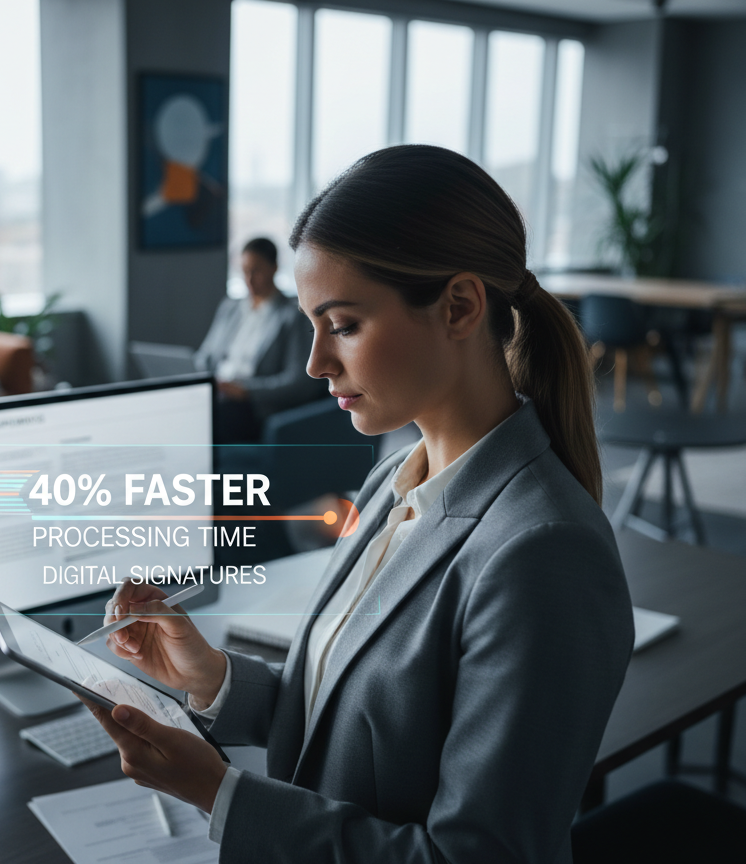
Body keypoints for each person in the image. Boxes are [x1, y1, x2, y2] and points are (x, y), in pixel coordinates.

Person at [79, 146, 635, 862]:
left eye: (342, 324)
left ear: (460, 306)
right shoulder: (394, 480)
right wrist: (210, 676)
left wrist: (222, 794)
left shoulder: (543, 550)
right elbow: (356, 715)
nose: (315, 363)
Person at [195, 237, 326, 443]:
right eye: (244, 271)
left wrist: (246, 391)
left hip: (253, 405)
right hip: (218, 391)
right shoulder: (230, 308)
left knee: (214, 417)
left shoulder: (293, 316)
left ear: (274, 268)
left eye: (256, 271)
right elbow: (205, 356)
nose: (249, 279)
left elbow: (298, 382)